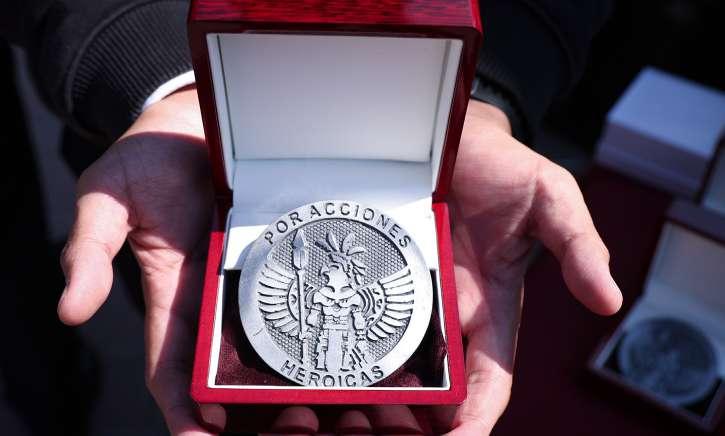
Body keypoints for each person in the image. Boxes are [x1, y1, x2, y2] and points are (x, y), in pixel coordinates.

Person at [2, 0, 622, 434]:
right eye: (331, 274)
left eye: (339, 273)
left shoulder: (352, 285)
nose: (334, 278)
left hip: (346, 316)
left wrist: (477, 91)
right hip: (232, 248)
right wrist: (155, 65)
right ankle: (54, 391)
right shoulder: (315, 282)